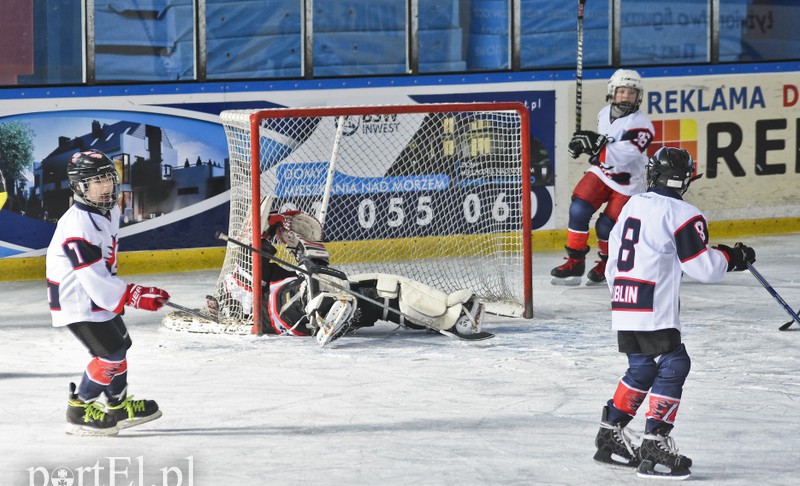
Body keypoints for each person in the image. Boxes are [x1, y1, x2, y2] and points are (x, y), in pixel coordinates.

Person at [592, 146, 756, 478]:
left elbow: (613, 256)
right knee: (674, 363)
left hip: (624, 296)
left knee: (642, 368)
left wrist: (620, 293)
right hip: (653, 303)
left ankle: (610, 434)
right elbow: (702, 267)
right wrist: (732, 258)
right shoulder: (683, 212)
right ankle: (654, 442)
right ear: (685, 180)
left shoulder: (633, 204)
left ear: (653, 174)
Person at [221, 210, 487, 346]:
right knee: (313, 284)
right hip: (289, 315)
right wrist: (276, 233)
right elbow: (253, 263)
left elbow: (312, 267)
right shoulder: (243, 276)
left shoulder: (275, 271)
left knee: (384, 289)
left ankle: (452, 319)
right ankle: (324, 312)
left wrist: (298, 246)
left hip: (326, 301)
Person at [46, 149, 170, 436]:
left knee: (121, 345)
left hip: (96, 294)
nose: (106, 187)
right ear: (80, 187)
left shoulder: (108, 210)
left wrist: (124, 293)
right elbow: (90, 275)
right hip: (77, 299)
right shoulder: (77, 224)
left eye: (108, 179)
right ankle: (79, 409)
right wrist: (133, 294)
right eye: (96, 182)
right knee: (110, 354)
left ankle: (118, 406)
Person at [552, 69, 655, 286]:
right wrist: (582, 145)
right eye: (622, 91)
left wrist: (594, 146)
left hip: (629, 182)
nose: (626, 96)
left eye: (631, 92)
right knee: (578, 209)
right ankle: (575, 262)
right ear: (612, 92)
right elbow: (602, 144)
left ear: (639, 96)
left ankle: (609, 263)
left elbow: (624, 156)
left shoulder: (643, 126)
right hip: (603, 172)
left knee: (606, 227)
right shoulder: (604, 113)